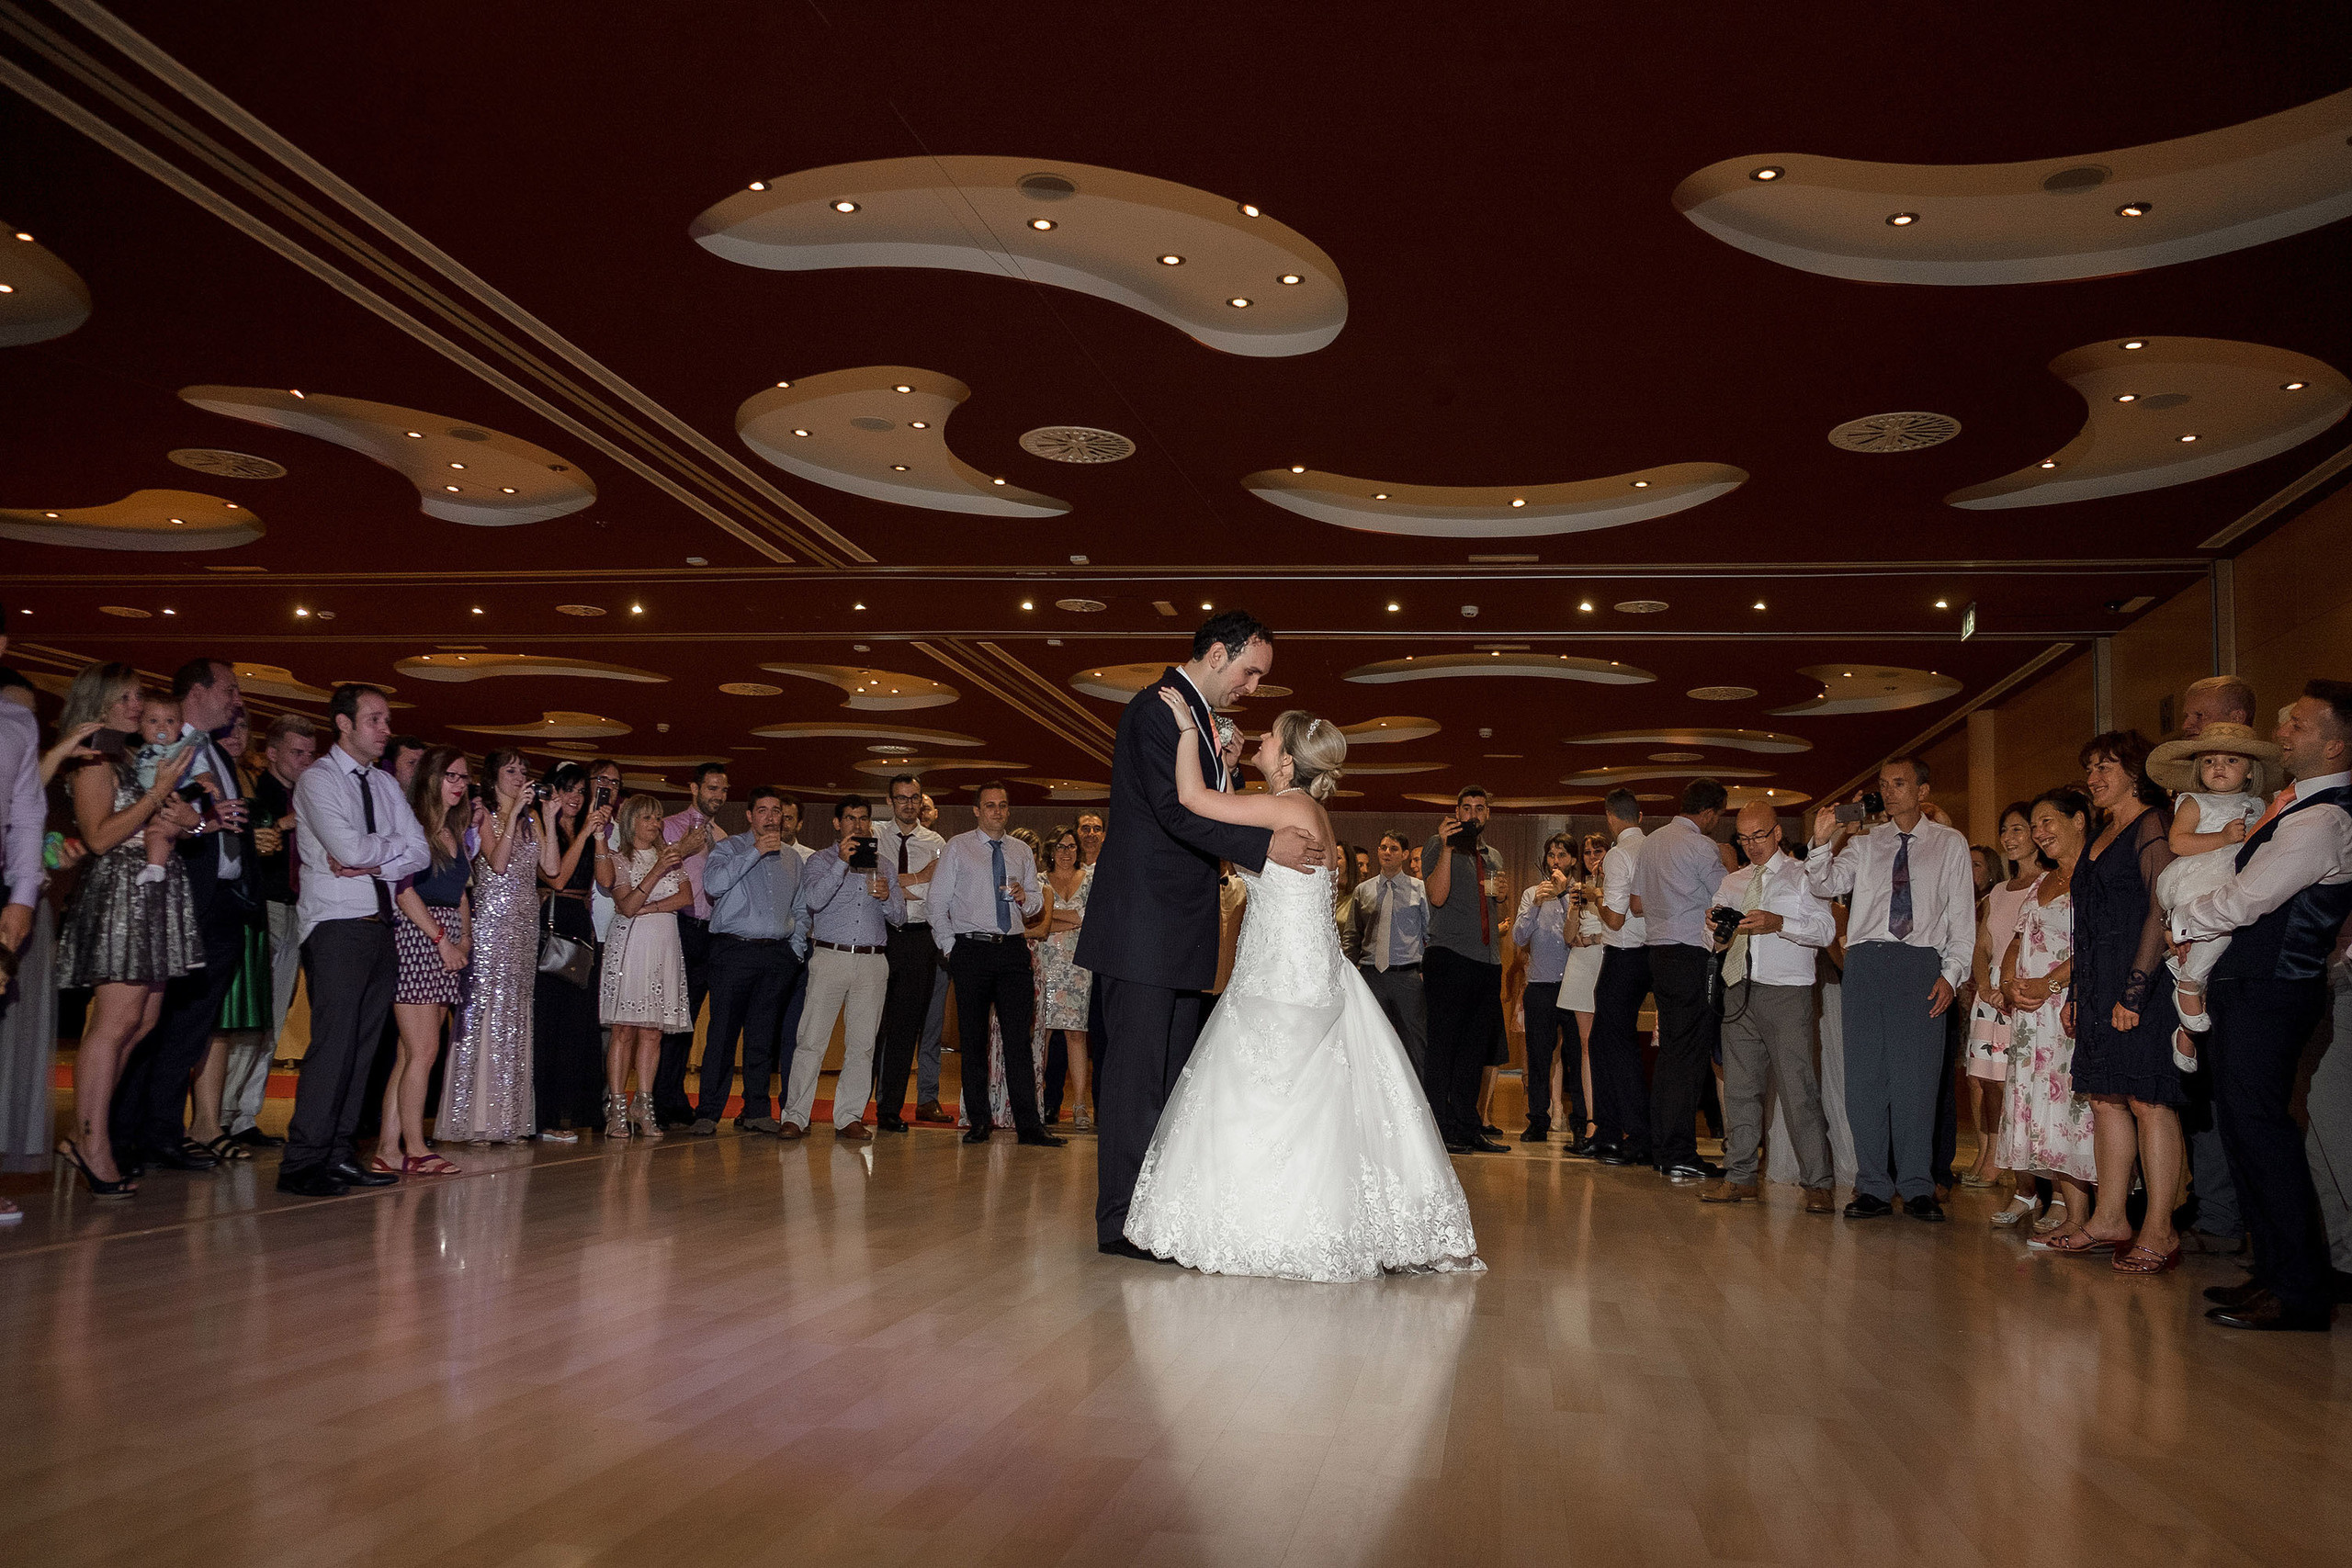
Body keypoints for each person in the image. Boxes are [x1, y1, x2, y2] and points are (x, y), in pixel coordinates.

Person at [1124, 694, 1479, 1280]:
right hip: (1304, 969)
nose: (1260, 741)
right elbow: (1235, 823)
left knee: (1267, 1093)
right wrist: (1234, 763)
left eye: (1269, 740)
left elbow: (1191, 800)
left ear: (1287, 764)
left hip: (1279, 977)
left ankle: (1271, 1229)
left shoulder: (1283, 808)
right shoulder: (1302, 810)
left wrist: (1189, 728)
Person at [1078, 613, 1324, 1258]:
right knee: (1135, 1081)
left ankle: (1157, 1214)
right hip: (1142, 927)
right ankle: (1121, 1222)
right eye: (1251, 671)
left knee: (1168, 1082)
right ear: (1218, 653)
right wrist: (1264, 845)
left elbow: (1206, 805)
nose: (1253, 686)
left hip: (1178, 929)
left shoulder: (1203, 722)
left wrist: (1229, 774)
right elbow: (1170, 812)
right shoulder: (1156, 712)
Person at [2176, 681, 2352, 1331]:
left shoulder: (2325, 818)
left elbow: (2248, 898)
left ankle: (2300, 1291)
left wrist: (2185, 918)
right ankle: (2276, 1273)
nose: (2283, 733)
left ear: (2335, 742)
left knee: (2265, 1133)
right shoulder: (2298, 807)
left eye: (2298, 725)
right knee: (2247, 1131)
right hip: (2250, 985)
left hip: (2274, 988)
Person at [51, 665, 201, 1196]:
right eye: (129, 695)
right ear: (102, 701)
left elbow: (171, 817)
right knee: (114, 1025)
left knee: (140, 1022)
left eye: (139, 695)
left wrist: (189, 819)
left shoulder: (127, 756)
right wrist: (156, 792)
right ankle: (93, 1141)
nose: (139, 703)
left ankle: (83, 1132)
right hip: (119, 895)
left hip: (151, 895)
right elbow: (97, 838)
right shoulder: (93, 757)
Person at [1806, 756, 1974, 1221]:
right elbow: (1823, 883)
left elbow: (1962, 917)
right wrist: (1824, 839)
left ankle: (1918, 1185)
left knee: (1917, 1080)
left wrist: (1952, 973)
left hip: (1921, 963)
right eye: (1883, 784)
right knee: (1864, 1081)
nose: (1890, 791)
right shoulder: (1866, 843)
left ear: (1922, 790)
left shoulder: (1949, 843)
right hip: (1865, 962)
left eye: (1900, 783)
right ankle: (1873, 1186)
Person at [277, 684, 428, 1196]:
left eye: (386, 720)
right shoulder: (318, 781)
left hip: (380, 924)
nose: (385, 729)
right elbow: (345, 845)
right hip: (337, 926)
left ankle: (339, 1153)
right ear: (343, 724)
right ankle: (302, 1161)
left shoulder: (384, 784)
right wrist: (384, 852)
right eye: (375, 720)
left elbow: (421, 852)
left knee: (363, 1050)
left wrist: (370, 858)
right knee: (333, 1047)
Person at [112, 658, 252, 1179]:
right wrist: (203, 826)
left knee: (189, 1029)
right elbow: (166, 817)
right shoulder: (164, 749)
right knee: (149, 1023)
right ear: (197, 691)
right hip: (178, 898)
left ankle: (163, 1134)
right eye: (229, 689)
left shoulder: (216, 752)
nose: (236, 700)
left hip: (221, 905)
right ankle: (123, 1136)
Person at [2069, 731, 2185, 1273]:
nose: (2093, 778)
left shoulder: (2151, 824)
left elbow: (2162, 907)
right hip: (2096, 985)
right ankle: (2110, 1217)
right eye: (2089, 769)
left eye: (2105, 767)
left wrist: (2136, 988)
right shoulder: (2098, 834)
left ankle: (2160, 1230)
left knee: (2148, 1100)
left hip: (2142, 981)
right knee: (2104, 1099)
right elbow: (2083, 924)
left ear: (2134, 772)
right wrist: (2076, 994)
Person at [1702, 803, 1837, 1210]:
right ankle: (1740, 1176)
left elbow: (1826, 930)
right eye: (1743, 838)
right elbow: (1711, 941)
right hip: (1738, 988)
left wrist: (1779, 924)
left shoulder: (1802, 875)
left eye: (1759, 836)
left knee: (1799, 1090)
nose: (1752, 846)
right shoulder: (1733, 882)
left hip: (1787, 993)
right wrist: (1715, 930)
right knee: (1741, 1090)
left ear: (1778, 833)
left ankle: (1818, 1183)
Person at [1996, 789, 2101, 1249]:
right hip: (2030, 1016)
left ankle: (2087, 1216)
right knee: (2047, 1111)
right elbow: (2019, 940)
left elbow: (2094, 945)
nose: (2038, 832)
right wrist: (2006, 979)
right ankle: (2070, 1213)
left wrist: (2051, 985)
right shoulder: (2043, 882)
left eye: (2046, 822)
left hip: (2068, 1009)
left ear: (2079, 820)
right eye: (2033, 825)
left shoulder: (2094, 878)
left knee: (2073, 1109)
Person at [930, 782, 1057, 1145]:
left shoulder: (1020, 851)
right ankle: (980, 1121)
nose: (997, 812)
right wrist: (951, 949)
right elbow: (937, 903)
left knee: (1019, 1040)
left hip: (1013, 950)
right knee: (973, 1041)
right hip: (971, 950)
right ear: (977, 810)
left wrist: (1024, 898)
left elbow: (1034, 904)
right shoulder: (958, 848)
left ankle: (1029, 1126)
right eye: (989, 806)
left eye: (1002, 806)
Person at [2147, 724, 2277, 1066]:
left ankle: (2186, 1031)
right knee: (2217, 932)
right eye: (2209, 761)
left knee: (2224, 947)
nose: (2218, 767)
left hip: (2238, 876)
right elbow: (2178, 842)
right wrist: (2222, 838)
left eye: (2230, 760)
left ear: (2250, 770)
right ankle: (2187, 986)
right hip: (2200, 875)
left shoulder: (2259, 805)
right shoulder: (2194, 801)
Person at [440, 749, 550, 1145]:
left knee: (515, 1012)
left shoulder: (531, 820)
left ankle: (508, 1117)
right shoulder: (482, 812)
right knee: (484, 1011)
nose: (520, 776)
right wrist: (514, 813)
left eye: (523, 770)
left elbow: (551, 869)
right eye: (511, 770)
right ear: (493, 776)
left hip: (523, 923)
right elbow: (498, 863)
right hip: (490, 923)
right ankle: (472, 1119)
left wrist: (548, 819)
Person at [783, 794, 903, 1140]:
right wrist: (841, 862)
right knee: (810, 1041)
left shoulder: (884, 865)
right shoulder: (820, 861)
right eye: (850, 818)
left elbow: (900, 917)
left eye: (863, 818)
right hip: (830, 956)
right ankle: (796, 1116)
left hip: (872, 960)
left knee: (862, 1045)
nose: (858, 824)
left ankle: (849, 1116)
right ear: (838, 824)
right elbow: (814, 901)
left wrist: (886, 899)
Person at [376, 746, 472, 1175]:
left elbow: (460, 891)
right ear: (431, 779)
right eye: (450, 776)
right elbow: (402, 889)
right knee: (423, 1051)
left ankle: (387, 1148)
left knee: (410, 1054)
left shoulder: (454, 828)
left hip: (445, 938)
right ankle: (415, 1147)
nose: (458, 785)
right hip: (418, 938)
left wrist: (464, 936)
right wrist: (442, 940)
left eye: (464, 778)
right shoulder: (413, 826)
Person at [693, 785, 808, 1136]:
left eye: (777, 812)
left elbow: (801, 910)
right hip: (733, 952)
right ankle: (709, 1112)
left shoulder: (793, 859)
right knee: (722, 1034)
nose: (771, 818)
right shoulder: (728, 848)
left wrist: (795, 949)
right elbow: (713, 885)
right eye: (763, 811)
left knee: (762, 1037)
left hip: (777, 955)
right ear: (749, 816)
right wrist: (755, 852)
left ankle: (757, 1110)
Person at [223, 712, 315, 1149]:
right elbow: (245, 847)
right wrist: (282, 824)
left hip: (298, 908)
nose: (305, 761)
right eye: (297, 753)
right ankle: (223, 1114)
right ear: (273, 752)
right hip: (264, 909)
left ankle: (245, 1116)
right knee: (250, 1018)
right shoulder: (256, 790)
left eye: (310, 753)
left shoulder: (312, 795)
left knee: (273, 1023)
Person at [1634, 777, 1731, 1180]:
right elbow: (1726, 900)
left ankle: (1663, 1148)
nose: (1715, 824)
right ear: (1708, 813)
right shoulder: (1702, 846)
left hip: (1658, 953)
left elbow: (1637, 905)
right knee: (1688, 1058)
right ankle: (1679, 1151)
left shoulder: (1652, 841)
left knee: (1673, 1053)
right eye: (1718, 817)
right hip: (1691, 954)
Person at [187, 714, 272, 1163]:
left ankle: (209, 1121)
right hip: (207, 899)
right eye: (227, 729)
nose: (236, 736)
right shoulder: (195, 766)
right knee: (205, 1017)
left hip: (241, 904)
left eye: (242, 728)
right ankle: (193, 1122)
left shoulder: (245, 777)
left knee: (228, 1020)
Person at [598, 793, 692, 1140]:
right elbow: (625, 904)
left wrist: (651, 908)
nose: (655, 824)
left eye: (658, 818)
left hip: (664, 943)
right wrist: (655, 872)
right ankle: (617, 1108)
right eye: (647, 818)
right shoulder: (618, 858)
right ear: (630, 822)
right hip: (631, 945)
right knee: (625, 1029)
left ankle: (644, 1103)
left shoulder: (671, 856)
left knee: (654, 1031)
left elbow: (686, 898)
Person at [1423, 785, 1511, 1154]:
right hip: (1450, 957)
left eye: (1480, 808)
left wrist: (1504, 893)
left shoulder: (1493, 856)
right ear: (1456, 813)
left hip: (1488, 962)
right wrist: (1446, 848)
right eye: (1467, 808)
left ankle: (1467, 1126)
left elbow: (1496, 905)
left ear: (1487, 814)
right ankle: (1439, 1129)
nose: (1473, 814)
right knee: (1444, 1048)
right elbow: (1437, 897)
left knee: (1475, 1051)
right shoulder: (1436, 845)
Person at [1974, 802, 2046, 1218]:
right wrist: (1986, 986)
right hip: (1992, 1002)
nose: (2009, 838)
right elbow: (1983, 946)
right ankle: (2023, 1188)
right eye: (2005, 830)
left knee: (2033, 1093)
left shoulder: (2052, 883)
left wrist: (2009, 988)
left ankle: (2051, 1189)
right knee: (1999, 1094)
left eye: (2019, 829)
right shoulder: (1998, 892)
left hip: (2029, 997)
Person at [532, 763, 610, 1142]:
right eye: (568, 790)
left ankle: (572, 1113)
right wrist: (581, 836)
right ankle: (541, 1116)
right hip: (550, 926)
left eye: (581, 790)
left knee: (577, 1026)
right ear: (552, 792)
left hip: (580, 925)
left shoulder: (587, 830)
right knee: (547, 1023)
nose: (576, 798)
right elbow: (557, 877)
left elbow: (607, 880)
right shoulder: (539, 825)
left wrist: (599, 836)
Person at [652, 762, 728, 1128]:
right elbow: (650, 873)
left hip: (710, 932)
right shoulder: (670, 826)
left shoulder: (724, 836)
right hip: (679, 925)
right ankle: (657, 1099)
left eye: (723, 790)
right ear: (694, 789)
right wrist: (682, 847)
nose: (718, 796)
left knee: (689, 1017)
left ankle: (674, 1095)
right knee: (669, 1018)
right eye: (712, 788)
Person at [874, 773, 945, 1131]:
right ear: (890, 801)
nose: (909, 804)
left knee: (905, 1029)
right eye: (901, 798)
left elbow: (939, 897)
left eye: (914, 797)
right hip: (878, 936)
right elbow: (867, 885)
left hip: (919, 940)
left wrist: (894, 887)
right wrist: (919, 878)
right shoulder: (869, 836)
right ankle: (854, 1108)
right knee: (868, 1026)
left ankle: (890, 1110)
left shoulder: (938, 842)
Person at [1589, 790, 1651, 1166]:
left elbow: (1614, 918)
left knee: (1618, 1047)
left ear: (1610, 818)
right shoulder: (1652, 848)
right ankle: (1609, 1130)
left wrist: (1596, 895)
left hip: (1624, 954)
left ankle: (1635, 1134)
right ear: (1639, 816)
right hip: (1649, 952)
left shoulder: (1618, 854)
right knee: (1600, 1043)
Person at [1510, 832, 1578, 1144]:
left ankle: (1580, 1121)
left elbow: (1575, 934)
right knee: (1539, 1058)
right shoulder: (1530, 894)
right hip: (1540, 985)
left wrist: (1564, 895)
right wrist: (1536, 903)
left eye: (1562, 855)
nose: (1555, 861)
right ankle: (1538, 1119)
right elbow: (1518, 937)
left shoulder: (1579, 892)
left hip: (1575, 985)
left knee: (1577, 1056)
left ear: (1573, 861)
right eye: (1551, 855)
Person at [1353, 830, 1430, 1077]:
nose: (1387, 853)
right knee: (1372, 1042)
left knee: (1415, 1045)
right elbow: (1353, 936)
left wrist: (1424, 972)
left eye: (1394, 849)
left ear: (1405, 855)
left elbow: (1430, 935)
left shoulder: (1419, 890)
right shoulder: (1363, 890)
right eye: (1383, 847)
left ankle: (1421, 1106)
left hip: (1407, 975)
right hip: (1371, 976)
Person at [1034, 824, 1096, 1129]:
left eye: (1071, 846)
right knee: (1041, 1034)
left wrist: (1053, 916)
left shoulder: (1091, 879)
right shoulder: (1039, 880)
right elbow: (1035, 922)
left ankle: (1080, 1106)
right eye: (1061, 846)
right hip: (1045, 962)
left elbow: (1092, 919)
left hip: (1079, 966)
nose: (1066, 852)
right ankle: (1036, 1100)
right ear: (1051, 850)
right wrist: (1070, 919)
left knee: (1076, 1035)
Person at [1553, 832, 1609, 1155]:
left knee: (1609, 1043)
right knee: (1585, 1046)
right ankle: (1590, 1120)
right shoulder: (1578, 888)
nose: (1591, 856)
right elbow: (1569, 935)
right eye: (1587, 852)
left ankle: (1611, 1118)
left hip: (1605, 962)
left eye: (1596, 851)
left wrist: (1593, 936)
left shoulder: (1613, 885)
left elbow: (1620, 927)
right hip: (1580, 966)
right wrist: (1574, 910)